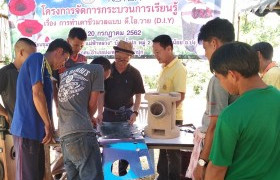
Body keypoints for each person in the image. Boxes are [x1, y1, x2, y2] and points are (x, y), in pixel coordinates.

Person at [205, 41, 280, 180]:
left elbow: (217, 169)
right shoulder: (277, 98)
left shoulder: (230, 116)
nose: (221, 84)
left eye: (220, 78)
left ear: (232, 75)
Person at [10, 38, 72, 180]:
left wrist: (51, 127)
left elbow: (45, 103)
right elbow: (37, 94)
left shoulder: (47, 72)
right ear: (59, 51)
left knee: (37, 175)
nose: (64, 63)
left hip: (37, 133)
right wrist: (48, 125)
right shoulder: (37, 58)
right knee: (27, 176)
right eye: (65, 58)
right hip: (26, 130)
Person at [188, 18, 237, 180]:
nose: (206, 54)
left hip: (218, 153)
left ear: (214, 43)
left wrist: (202, 162)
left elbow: (215, 126)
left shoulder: (219, 78)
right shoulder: (246, 72)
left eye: (205, 48)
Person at [96, 40, 145, 176]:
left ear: (130, 57)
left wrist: (135, 112)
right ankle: (109, 176)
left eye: (124, 60)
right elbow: (101, 94)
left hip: (126, 116)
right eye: (118, 59)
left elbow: (138, 96)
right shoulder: (108, 71)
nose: (120, 62)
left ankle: (125, 176)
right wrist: (100, 112)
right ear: (114, 55)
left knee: (126, 150)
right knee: (109, 150)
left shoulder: (135, 73)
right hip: (108, 115)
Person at [57, 56, 111, 180]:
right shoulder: (98, 69)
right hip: (81, 133)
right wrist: (89, 117)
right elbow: (93, 103)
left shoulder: (67, 72)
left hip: (65, 135)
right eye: (103, 79)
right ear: (103, 69)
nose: (102, 82)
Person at [152, 34, 187, 180]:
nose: (156, 56)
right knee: (162, 151)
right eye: (154, 52)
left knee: (172, 153)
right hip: (162, 118)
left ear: (169, 49)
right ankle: (162, 176)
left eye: (158, 52)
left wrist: (167, 114)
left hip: (172, 118)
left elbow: (180, 96)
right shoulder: (165, 68)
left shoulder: (178, 68)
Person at [0, 38, 36, 126]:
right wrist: (5, 113)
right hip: (18, 127)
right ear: (21, 52)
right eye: (32, 55)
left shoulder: (31, 72)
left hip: (34, 126)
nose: (34, 59)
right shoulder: (5, 72)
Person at [53, 27, 87, 107]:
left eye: (81, 46)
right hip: (64, 104)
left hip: (81, 104)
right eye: (76, 45)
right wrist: (57, 105)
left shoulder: (83, 59)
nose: (79, 48)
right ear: (68, 41)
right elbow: (53, 85)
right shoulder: (59, 60)